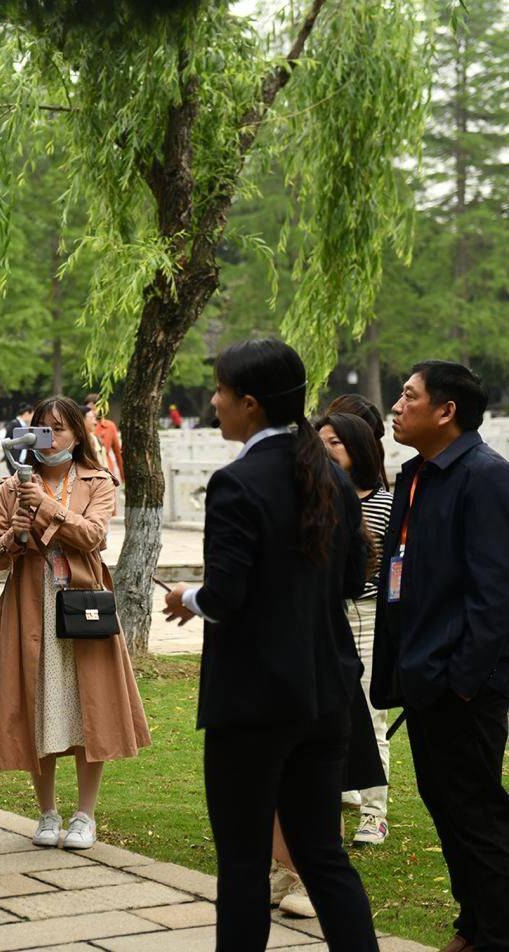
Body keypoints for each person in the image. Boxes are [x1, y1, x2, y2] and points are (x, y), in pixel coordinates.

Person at [162, 339, 376, 950]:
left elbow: (227, 595)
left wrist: (187, 598)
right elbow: (351, 578)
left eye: (221, 391)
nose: (214, 402)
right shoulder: (331, 475)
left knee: (243, 860)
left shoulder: (237, 482)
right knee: (322, 854)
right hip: (325, 692)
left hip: (254, 700)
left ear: (250, 403)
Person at [373, 360, 509, 952]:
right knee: (448, 809)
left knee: (477, 813)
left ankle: (496, 933)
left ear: (447, 411)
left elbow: (494, 594)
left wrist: (463, 680)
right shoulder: (417, 476)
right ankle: (473, 924)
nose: (397, 407)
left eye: (409, 397)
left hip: (463, 686)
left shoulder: (486, 477)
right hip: (424, 678)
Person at [0, 396, 149, 852]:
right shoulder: (15, 485)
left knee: (88, 706)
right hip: (29, 603)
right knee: (39, 704)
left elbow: (93, 536)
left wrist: (48, 508)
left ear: (77, 434)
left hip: (83, 601)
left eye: (59, 429)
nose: (49, 438)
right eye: (42, 429)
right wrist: (15, 536)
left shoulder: (98, 480)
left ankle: (84, 815)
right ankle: (47, 812)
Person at [317, 410, 393, 845]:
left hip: (366, 616)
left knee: (369, 715)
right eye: (319, 443)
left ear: (358, 448)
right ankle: (339, 792)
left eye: (335, 442)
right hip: (323, 618)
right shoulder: (313, 498)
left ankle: (374, 813)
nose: (325, 450)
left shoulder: (384, 503)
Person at [85, 393, 123, 483]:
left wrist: (123, 477)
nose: (92, 411)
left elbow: (118, 453)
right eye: (89, 409)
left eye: (95, 407)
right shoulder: (84, 426)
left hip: (106, 470)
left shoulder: (109, 426)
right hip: (89, 472)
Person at [3, 404, 34, 473]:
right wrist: (14, 461)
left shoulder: (24, 425)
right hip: (15, 461)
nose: (32, 418)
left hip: (22, 461)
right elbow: (7, 443)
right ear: (26, 413)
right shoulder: (14, 424)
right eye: (32, 415)